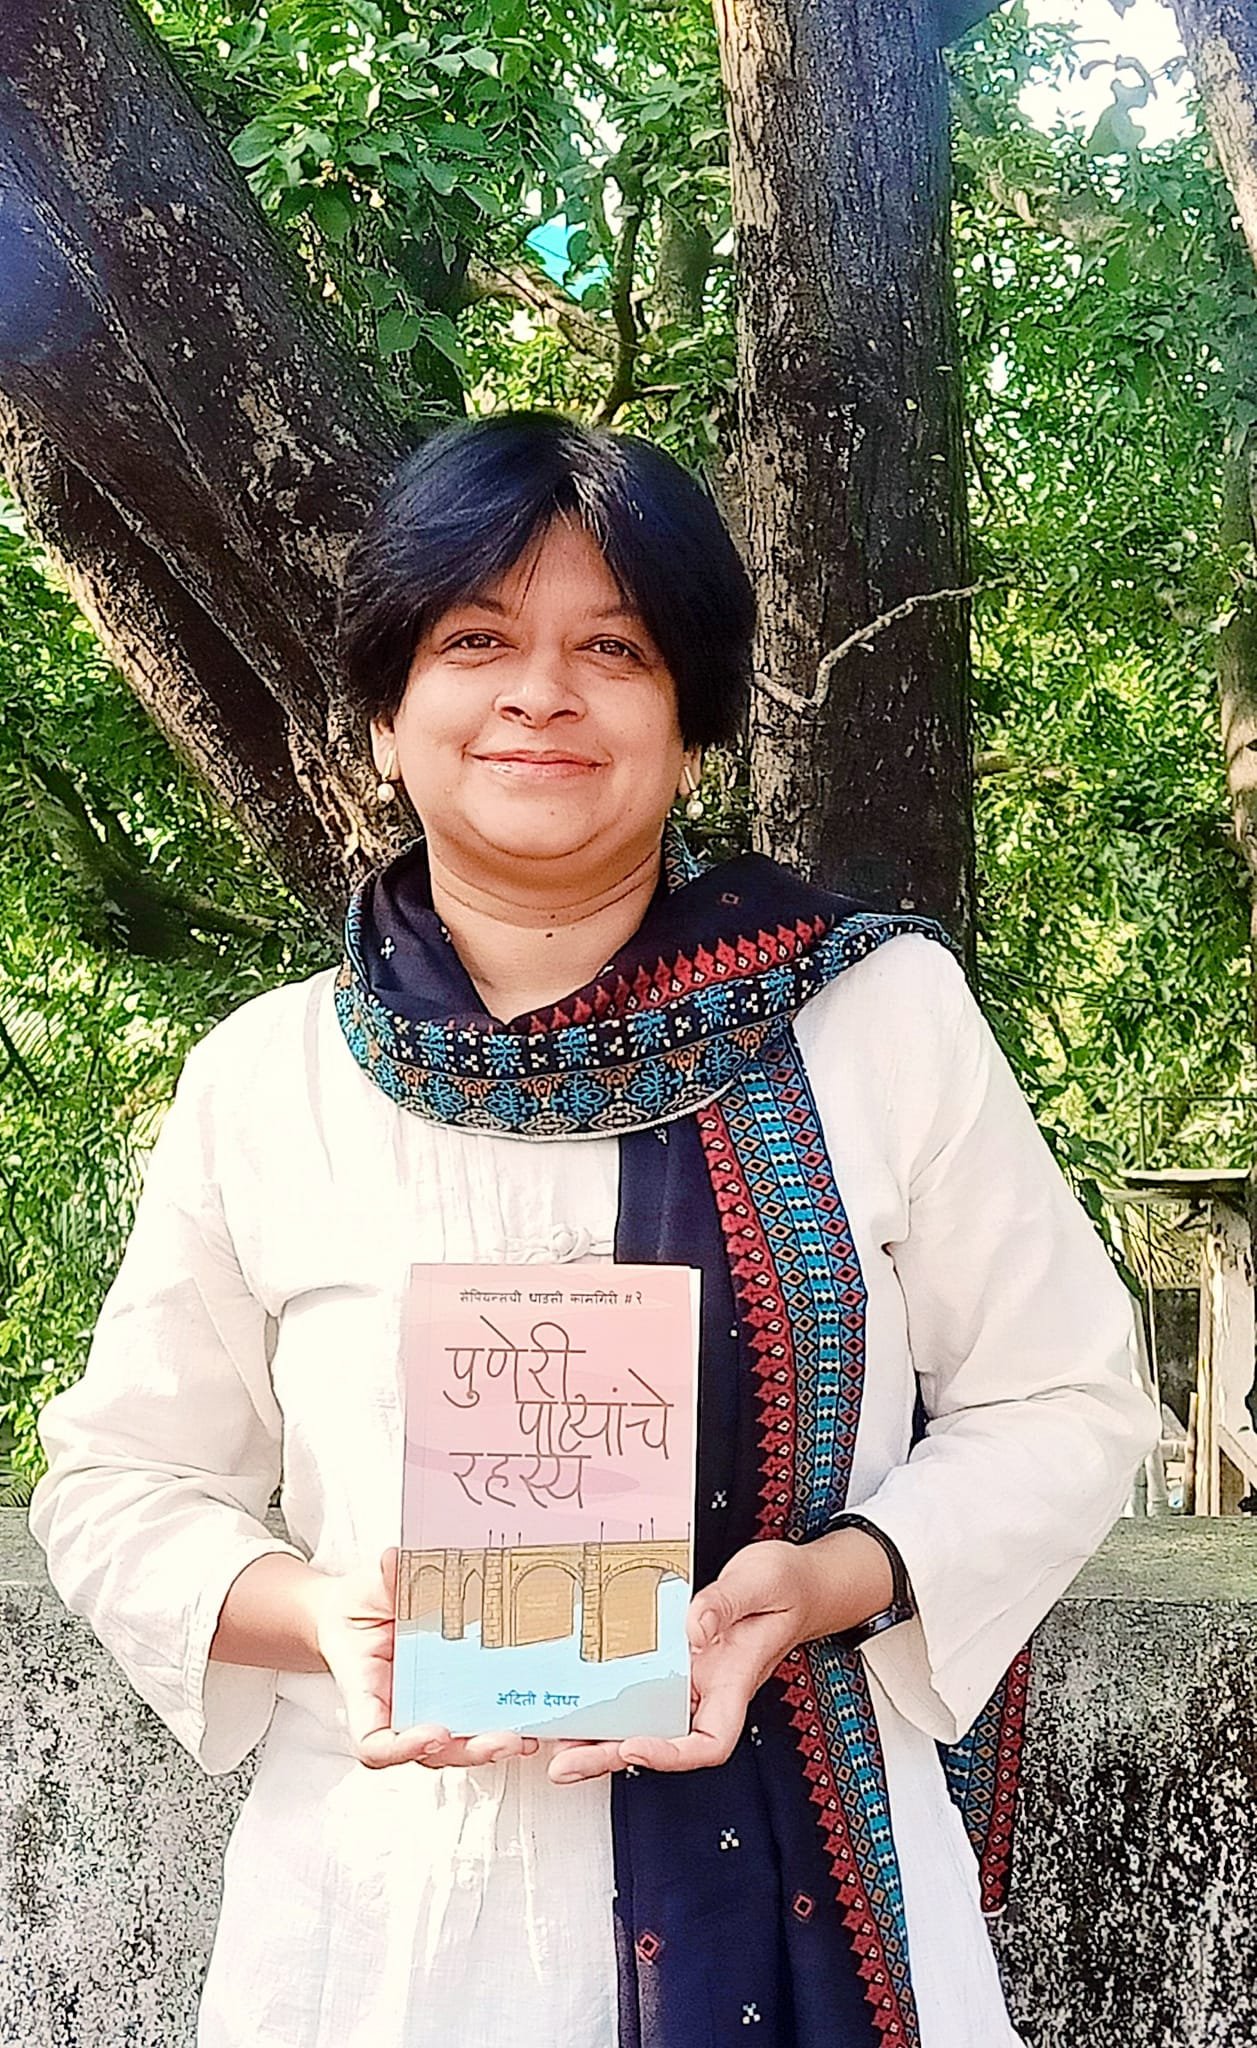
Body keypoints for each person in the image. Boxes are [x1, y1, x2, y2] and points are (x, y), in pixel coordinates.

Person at [30, 409, 1158, 2048]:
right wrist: (319, 1615)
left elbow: (1064, 1402)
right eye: (476, 639)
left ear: (689, 725)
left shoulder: (872, 1017)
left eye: (611, 649)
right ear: (384, 718)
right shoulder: (267, 1077)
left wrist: (830, 1579)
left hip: (814, 1866)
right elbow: (120, 1479)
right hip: (393, 1911)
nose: (539, 694)